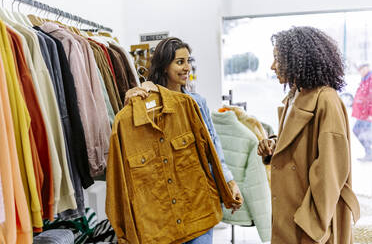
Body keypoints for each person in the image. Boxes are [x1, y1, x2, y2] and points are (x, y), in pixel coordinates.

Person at [124, 37, 243, 244]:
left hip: (197, 197)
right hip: (162, 205)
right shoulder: (145, 102)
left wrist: (229, 181)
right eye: (180, 62)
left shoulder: (197, 103)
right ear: (164, 66)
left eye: (189, 61)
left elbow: (213, 146)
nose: (187, 67)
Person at [257, 26, 360, 243]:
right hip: (291, 213)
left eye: (278, 59)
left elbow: (330, 172)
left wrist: (313, 226)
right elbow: (298, 144)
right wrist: (274, 145)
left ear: (298, 59)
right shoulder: (295, 96)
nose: (273, 66)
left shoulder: (326, 100)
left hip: (311, 225)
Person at [352, 62, 372, 161]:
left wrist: (371, 114)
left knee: (362, 132)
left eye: (363, 69)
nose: (361, 71)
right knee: (360, 131)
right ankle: (369, 153)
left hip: (368, 115)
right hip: (363, 114)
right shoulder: (365, 79)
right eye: (360, 70)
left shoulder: (370, 79)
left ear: (367, 68)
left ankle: (369, 153)